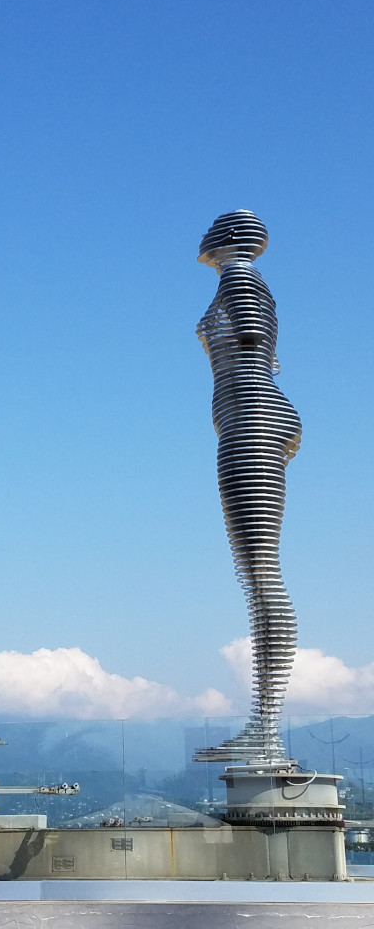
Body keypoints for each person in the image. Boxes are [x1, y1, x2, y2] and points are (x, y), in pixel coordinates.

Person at [194, 210, 301, 763]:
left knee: (260, 572)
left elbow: (256, 342)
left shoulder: (240, 279)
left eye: (212, 229)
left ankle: (266, 727)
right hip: (254, 417)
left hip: (251, 422)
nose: (202, 239)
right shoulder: (243, 283)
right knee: (258, 572)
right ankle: (264, 726)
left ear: (231, 237)